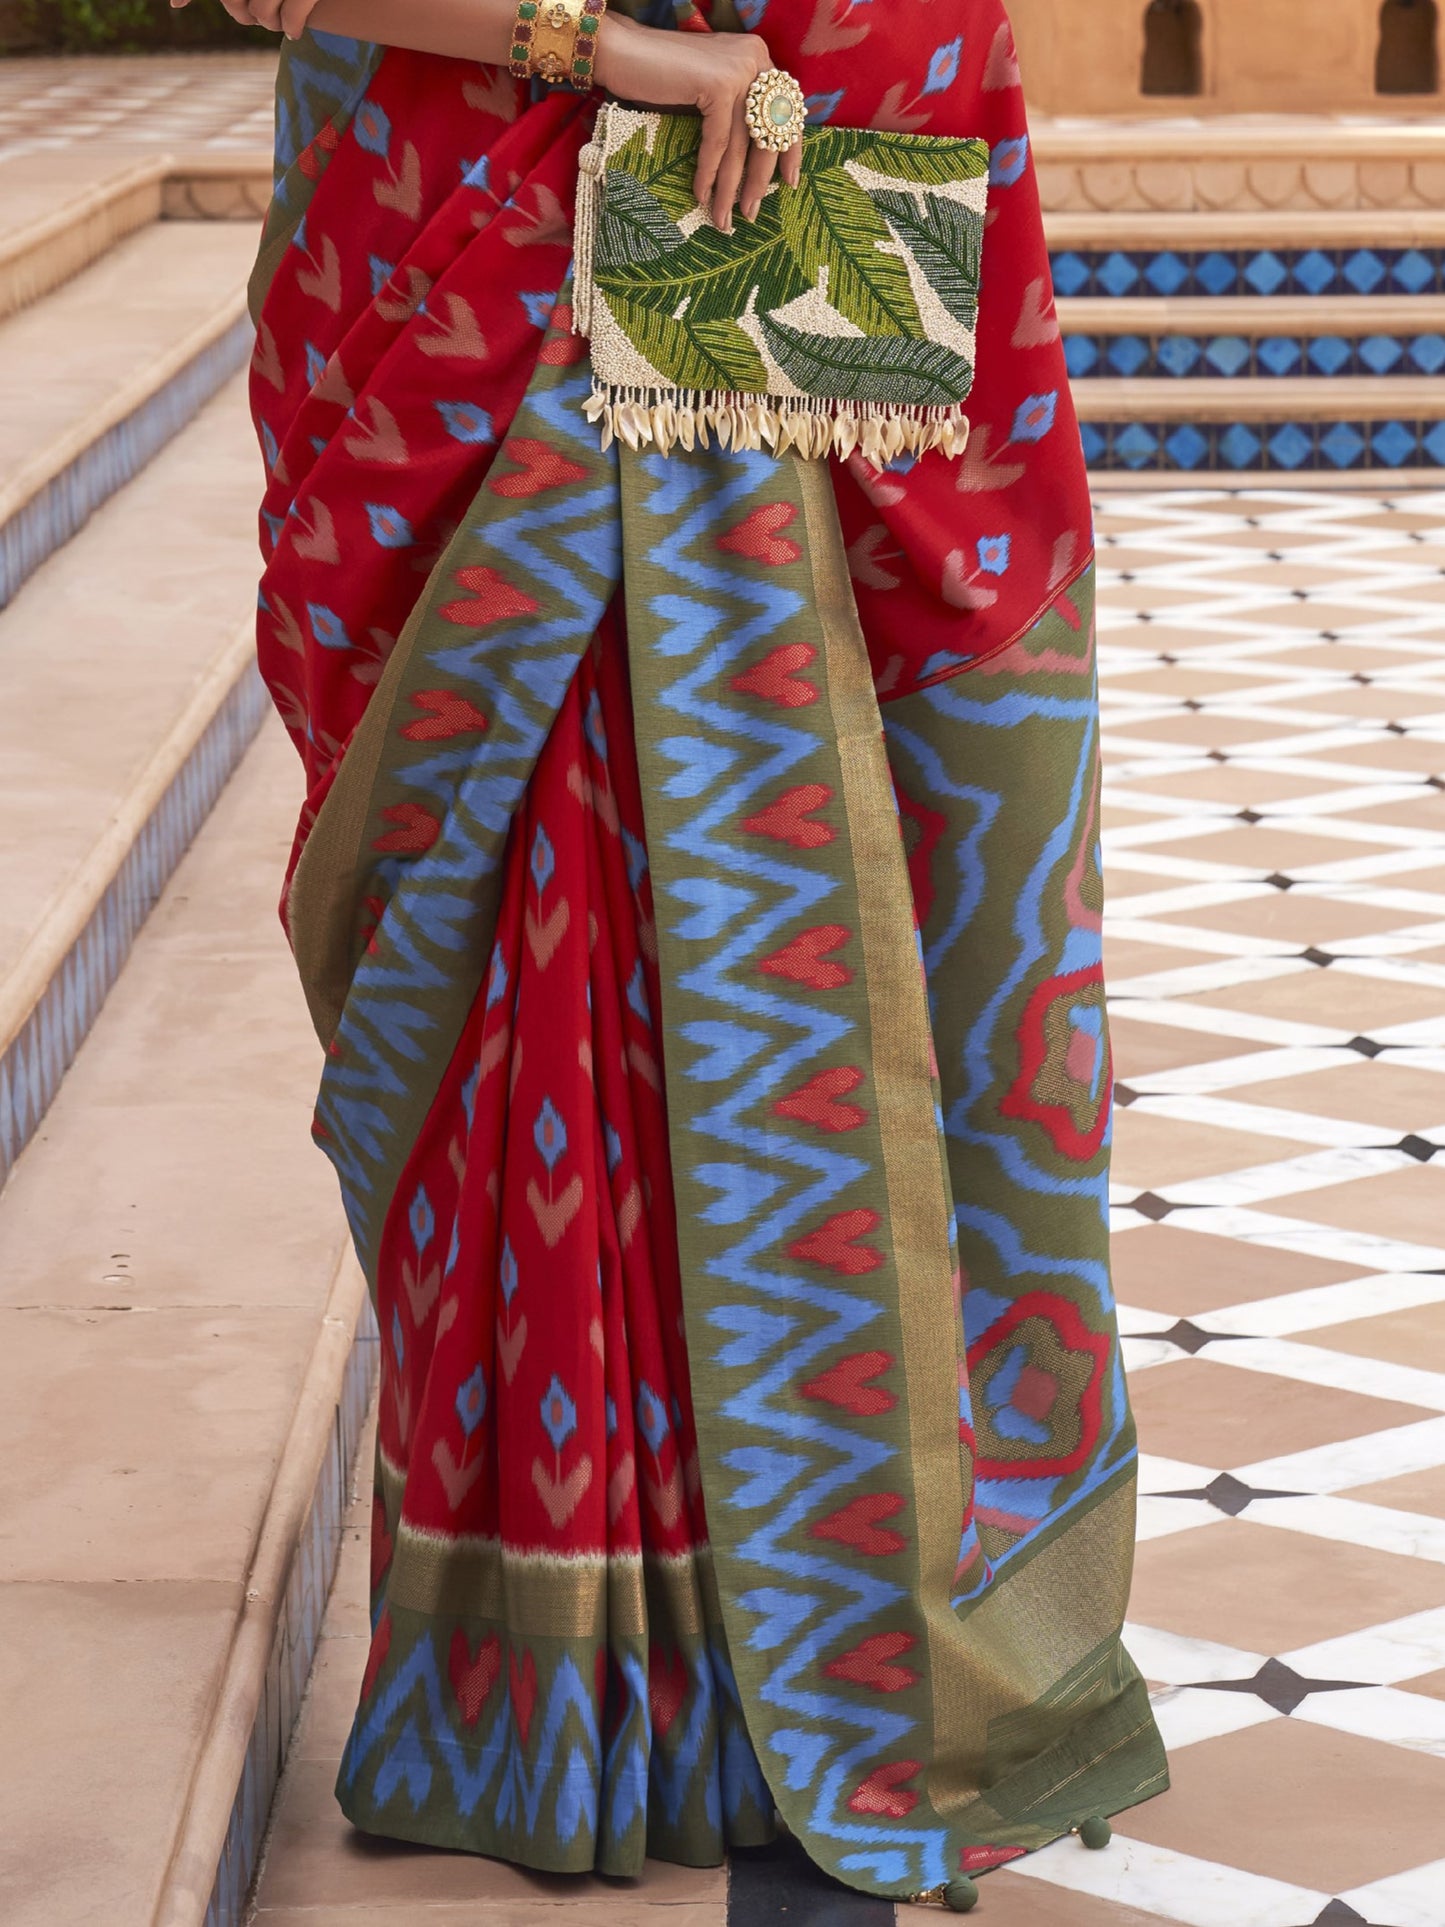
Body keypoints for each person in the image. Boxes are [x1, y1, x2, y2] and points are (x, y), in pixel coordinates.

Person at [178, 0, 1169, 1907]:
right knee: (538, 951)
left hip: (848, 197)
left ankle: (840, 1618)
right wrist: (613, 50)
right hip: (491, 264)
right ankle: (581, 1670)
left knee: (895, 899)